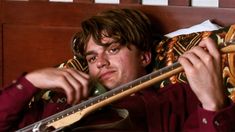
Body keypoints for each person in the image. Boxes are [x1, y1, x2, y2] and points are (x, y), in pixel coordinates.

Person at [0, 8, 235, 132]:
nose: (100, 62)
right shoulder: (61, 103)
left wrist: (213, 106)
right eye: (92, 57)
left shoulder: (177, 98)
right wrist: (29, 82)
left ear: (144, 56)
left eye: (112, 50)